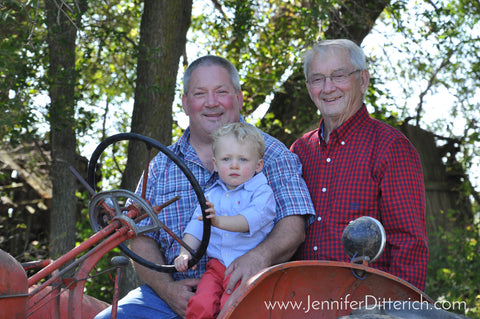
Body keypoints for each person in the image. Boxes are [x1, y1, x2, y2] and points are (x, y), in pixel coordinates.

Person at [95, 55, 315, 319]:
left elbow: (293, 226)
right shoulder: (160, 166)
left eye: (221, 92)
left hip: (251, 291)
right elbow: (138, 235)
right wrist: (167, 290)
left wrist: (260, 257)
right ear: (186, 103)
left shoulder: (273, 154)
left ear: (239, 97)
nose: (211, 102)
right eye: (200, 94)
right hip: (172, 296)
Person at [290, 39, 429, 291]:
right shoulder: (299, 151)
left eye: (339, 75)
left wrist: (398, 312)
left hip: (364, 306)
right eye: (317, 79)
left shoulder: (390, 147)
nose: (328, 87)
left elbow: (409, 246)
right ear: (309, 87)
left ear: (363, 80)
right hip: (300, 301)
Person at [175, 122, 276, 318]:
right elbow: (196, 226)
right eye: (226, 159)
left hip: (246, 267)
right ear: (215, 163)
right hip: (216, 266)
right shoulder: (212, 194)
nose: (234, 165)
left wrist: (218, 222)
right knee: (200, 304)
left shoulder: (262, 193)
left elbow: (248, 220)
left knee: (233, 307)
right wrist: (185, 253)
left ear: (258, 165)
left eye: (243, 159)